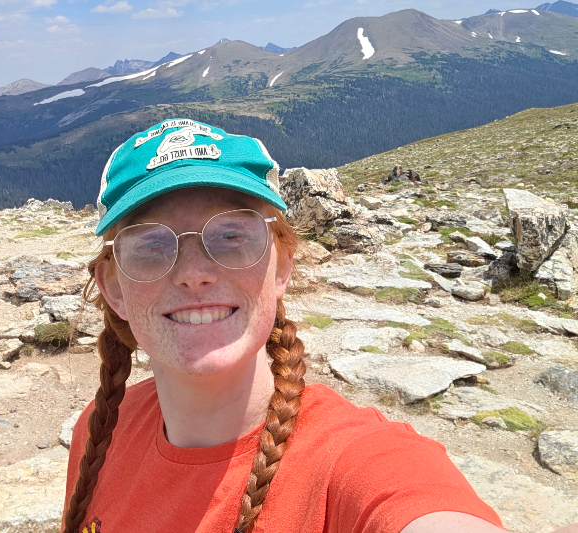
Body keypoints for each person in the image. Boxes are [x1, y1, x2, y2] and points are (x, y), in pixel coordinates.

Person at [61, 119, 577, 533]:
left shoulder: (352, 464)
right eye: (152, 245)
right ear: (114, 287)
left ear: (281, 267)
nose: (194, 274)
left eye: (232, 236)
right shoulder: (100, 430)